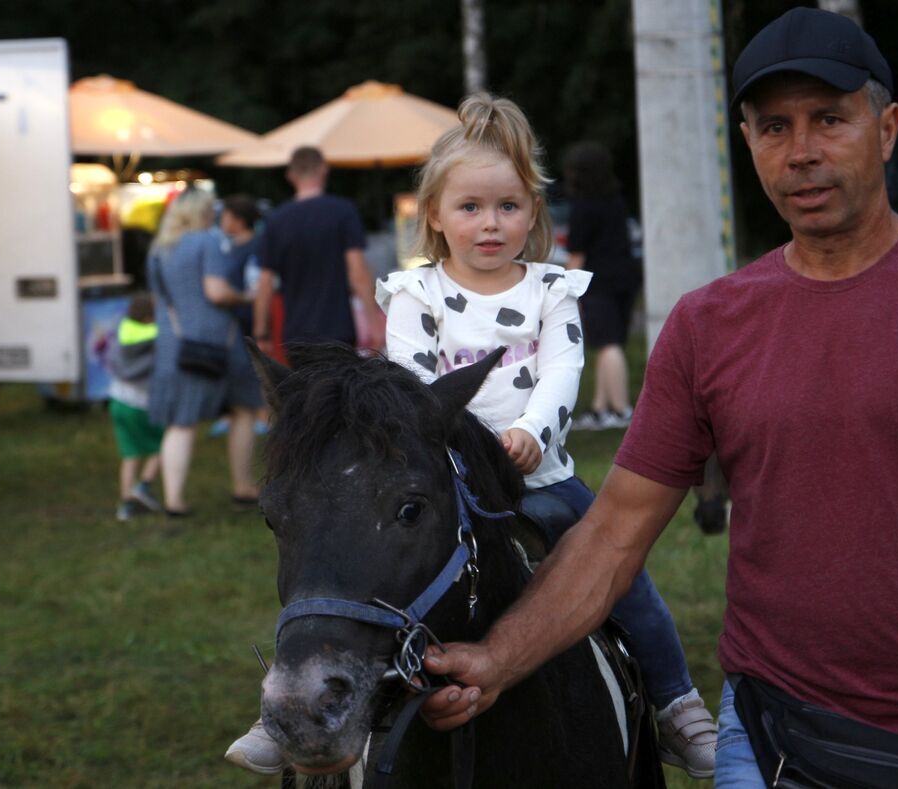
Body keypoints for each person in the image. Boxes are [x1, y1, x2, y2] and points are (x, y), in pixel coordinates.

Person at [419, 9, 898, 789]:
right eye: (774, 127)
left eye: (829, 119)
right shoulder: (709, 324)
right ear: (747, 141)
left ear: (887, 129)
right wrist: (498, 658)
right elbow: (613, 535)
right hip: (777, 742)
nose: (801, 151)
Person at [225, 93, 717, 779]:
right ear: (434, 214)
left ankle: (674, 699)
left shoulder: (553, 291)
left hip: (539, 475)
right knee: (355, 559)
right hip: (444, 477)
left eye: (508, 206)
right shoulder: (414, 294)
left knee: (619, 573)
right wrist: (464, 449)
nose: (490, 223)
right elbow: (409, 387)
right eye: (471, 207)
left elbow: (563, 370)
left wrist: (530, 431)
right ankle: (295, 702)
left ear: (533, 213)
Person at [147, 189, 261, 516]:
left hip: (175, 342)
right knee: (244, 408)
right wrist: (246, 297)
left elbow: (158, 300)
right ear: (201, 212)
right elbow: (216, 292)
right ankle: (243, 486)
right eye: (211, 210)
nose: (215, 215)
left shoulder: (159, 248)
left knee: (181, 421)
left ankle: (174, 500)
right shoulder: (207, 242)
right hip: (217, 342)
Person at [252, 146, 384, 362]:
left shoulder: (276, 220)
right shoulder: (343, 211)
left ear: (290, 175)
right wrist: (374, 324)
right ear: (324, 170)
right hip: (338, 328)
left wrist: (261, 333)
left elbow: (265, 282)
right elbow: (357, 272)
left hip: (295, 333)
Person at [562, 140, 643, 431]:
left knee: (607, 345)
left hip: (598, 283)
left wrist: (564, 289)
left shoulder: (582, 207)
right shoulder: (616, 200)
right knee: (610, 343)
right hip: (625, 278)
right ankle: (600, 409)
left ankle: (621, 410)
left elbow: (577, 254)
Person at [210, 195, 270, 438]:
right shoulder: (227, 246)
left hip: (249, 319)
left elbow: (257, 288)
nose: (221, 221)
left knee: (259, 367)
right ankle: (231, 414)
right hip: (231, 320)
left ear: (239, 220)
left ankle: (263, 415)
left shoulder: (256, 248)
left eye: (225, 216)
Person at [105, 292, 164, 521]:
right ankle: (144, 486)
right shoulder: (156, 336)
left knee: (130, 454)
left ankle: (126, 505)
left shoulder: (124, 330)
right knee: (163, 445)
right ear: (149, 317)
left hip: (117, 401)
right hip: (141, 403)